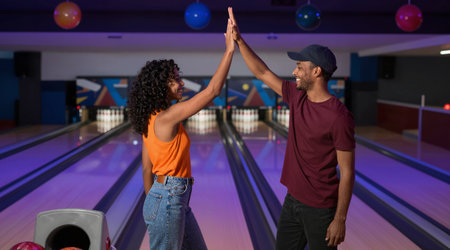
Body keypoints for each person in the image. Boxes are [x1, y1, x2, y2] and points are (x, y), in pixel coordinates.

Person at [228, 7, 355, 250]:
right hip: (292, 200)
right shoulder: (298, 97)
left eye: (299, 66)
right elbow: (262, 72)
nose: (294, 72)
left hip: (321, 209)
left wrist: (340, 219)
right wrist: (239, 40)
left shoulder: (339, 117)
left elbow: (347, 172)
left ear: (316, 71)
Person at [127, 18, 235, 250]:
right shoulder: (168, 116)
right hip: (170, 198)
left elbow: (147, 169)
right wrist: (229, 51)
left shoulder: (150, 118)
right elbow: (213, 90)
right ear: (160, 86)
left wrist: (153, 201)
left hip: (168, 198)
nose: (181, 83)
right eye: (175, 80)